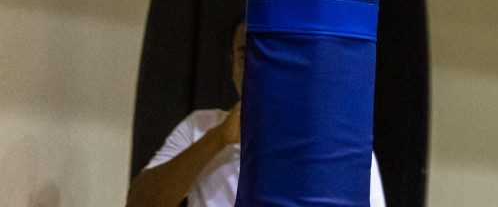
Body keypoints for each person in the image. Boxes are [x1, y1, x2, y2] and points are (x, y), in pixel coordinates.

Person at [126, 21, 385, 207]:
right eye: (245, 54)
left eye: (266, 54)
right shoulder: (200, 126)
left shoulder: (340, 144)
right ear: (233, 67)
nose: (257, 65)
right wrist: (217, 139)